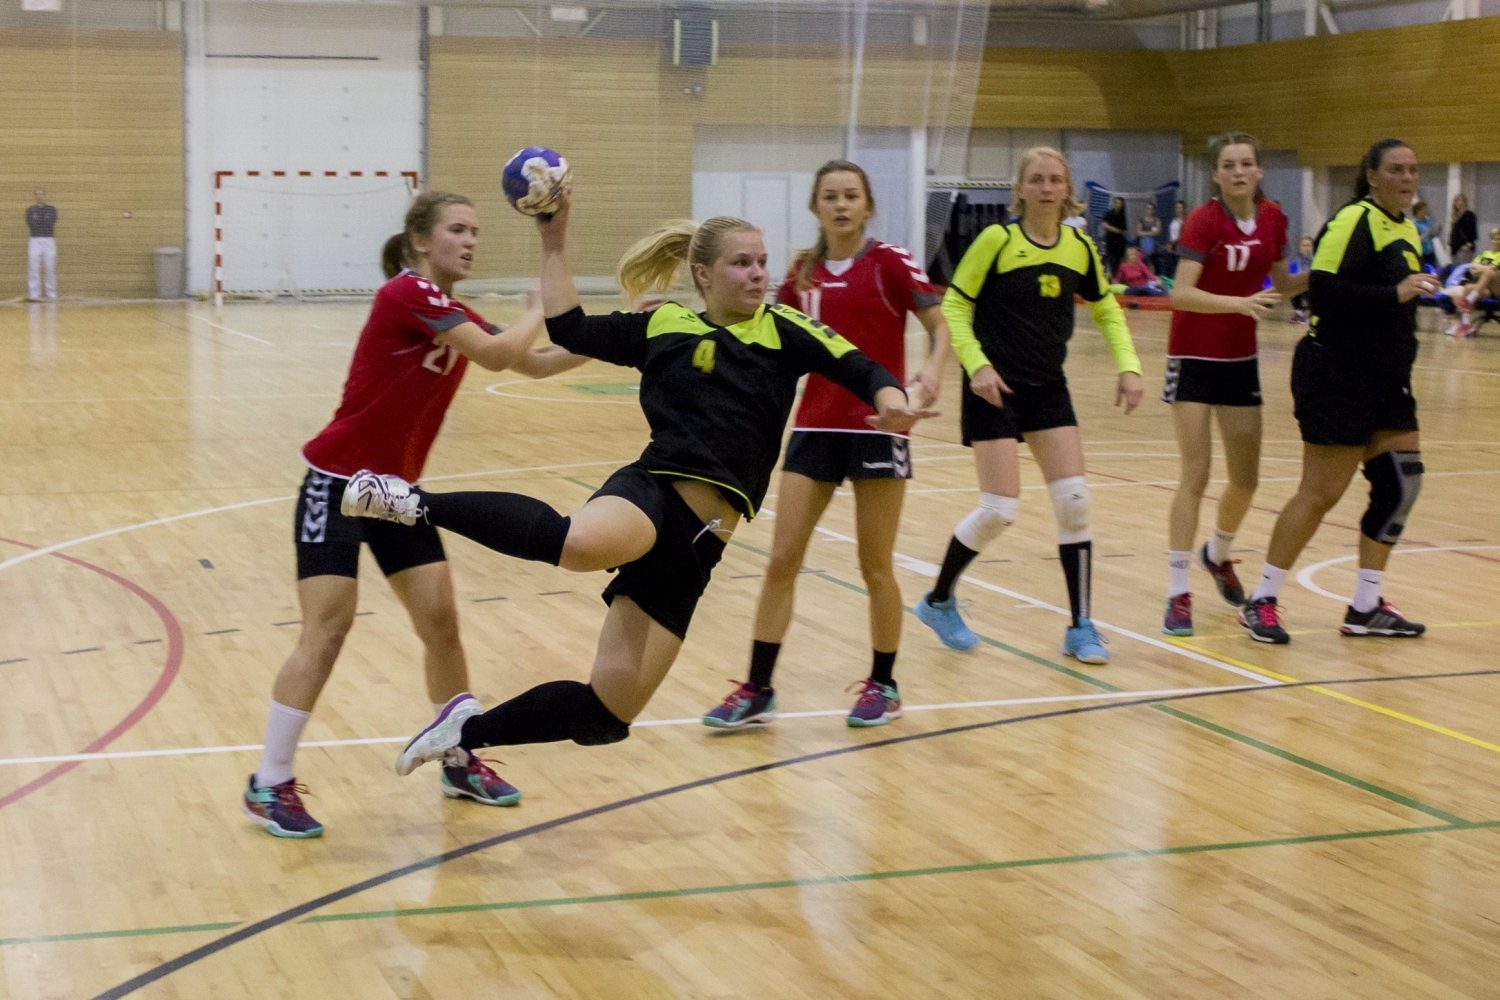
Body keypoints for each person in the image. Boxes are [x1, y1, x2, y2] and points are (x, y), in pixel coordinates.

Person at [345, 193, 935, 777]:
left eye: (761, 262)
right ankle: (410, 503)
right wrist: (554, 237)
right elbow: (570, 327)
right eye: (741, 263)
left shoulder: (786, 328)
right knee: (577, 545)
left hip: (702, 545)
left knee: (606, 715)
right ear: (703, 274)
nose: (758, 273)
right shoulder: (664, 324)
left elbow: (862, 369)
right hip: (655, 492)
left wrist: (892, 400)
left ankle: (462, 733)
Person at [242, 191, 582, 838]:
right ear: (421, 240)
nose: (471, 240)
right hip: (337, 484)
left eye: (475, 230)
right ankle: (269, 780)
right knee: (327, 629)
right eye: (458, 229)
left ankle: (457, 759)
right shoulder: (407, 293)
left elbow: (534, 364)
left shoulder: (452, 310)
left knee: (441, 623)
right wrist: (537, 309)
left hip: (396, 495)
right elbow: (498, 354)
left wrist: (624, 340)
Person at [699, 160, 950, 731]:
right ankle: (758, 688)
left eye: (851, 196)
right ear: (815, 206)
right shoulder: (802, 275)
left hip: (878, 428)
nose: (841, 205)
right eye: (831, 196)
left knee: (875, 565)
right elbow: (767, 334)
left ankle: (883, 685)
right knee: (781, 559)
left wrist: (932, 371)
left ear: (867, 206)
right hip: (814, 429)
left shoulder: (891, 262)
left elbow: (940, 325)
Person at [910, 147, 1144, 664]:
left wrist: (1129, 365)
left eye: (1055, 179)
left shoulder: (1079, 247)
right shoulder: (997, 240)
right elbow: (955, 305)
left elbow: (1106, 307)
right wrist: (977, 366)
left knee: (1074, 502)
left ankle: (1081, 625)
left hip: (1047, 388)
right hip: (992, 389)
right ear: (1019, 189)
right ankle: (939, 600)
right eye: (1035, 179)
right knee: (999, 510)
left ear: (1067, 190)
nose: (1045, 188)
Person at [1239, 139, 1439, 644]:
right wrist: (1395, 292)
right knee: (1321, 493)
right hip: (1337, 372)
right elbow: (1324, 290)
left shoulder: (1407, 228)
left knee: (1401, 485)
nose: (1407, 178)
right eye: (1396, 169)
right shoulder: (1353, 220)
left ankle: (1366, 606)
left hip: (1387, 377)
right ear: (1371, 175)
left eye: (1413, 170)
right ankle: (1262, 598)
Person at [1160, 133, 1307, 637]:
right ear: (1216, 174)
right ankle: (1178, 591)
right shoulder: (1205, 220)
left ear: (1259, 170)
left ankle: (1218, 554)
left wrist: (1330, 271)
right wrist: (1239, 304)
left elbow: (1282, 285)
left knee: (1246, 479)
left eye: (1246, 163)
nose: (1238, 172)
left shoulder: (1273, 217)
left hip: (1239, 359)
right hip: (1193, 356)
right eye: (1229, 165)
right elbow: (1181, 293)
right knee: (1195, 475)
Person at [1441, 226, 1500, 337]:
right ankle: (1466, 324)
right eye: (1495, 239)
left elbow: (1491, 269)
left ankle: (1469, 301)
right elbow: (1472, 268)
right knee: (1468, 287)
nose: (1497, 241)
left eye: (1499, 239)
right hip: (1484, 288)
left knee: (1490, 273)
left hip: (1497, 286)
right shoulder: (1485, 254)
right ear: (1491, 239)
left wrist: (1481, 269)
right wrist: (1483, 269)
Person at [25, 187, 57, 302]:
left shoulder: (51, 210)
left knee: (50, 268)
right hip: (35, 240)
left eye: (41, 194)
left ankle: (51, 294)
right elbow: (31, 224)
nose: (39, 196)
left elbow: (51, 222)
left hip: (49, 240)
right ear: (35, 196)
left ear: (45, 196)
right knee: (33, 268)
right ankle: (34, 294)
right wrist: (41, 222)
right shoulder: (30, 210)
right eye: (37, 194)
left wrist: (40, 221)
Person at [1288, 235, 1314, 325]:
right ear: (1300, 247)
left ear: (1312, 247)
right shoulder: (1296, 260)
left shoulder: (1315, 260)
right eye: (1304, 245)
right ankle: (1300, 312)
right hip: (1300, 284)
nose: (1306, 248)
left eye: (1308, 245)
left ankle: (1310, 312)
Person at [1101, 196, 1129, 277]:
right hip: (1109, 241)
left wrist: (1109, 227)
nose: (1117, 204)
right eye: (1116, 203)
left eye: (1119, 203)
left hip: (1119, 242)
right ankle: (1112, 277)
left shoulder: (1122, 216)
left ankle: (1118, 277)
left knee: (1118, 261)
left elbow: (1122, 231)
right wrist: (1110, 229)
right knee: (1110, 260)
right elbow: (1104, 225)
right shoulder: (1108, 214)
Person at [1449, 193, 1477, 265]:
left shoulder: (1469, 215)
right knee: (1455, 267)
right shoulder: (1455, 216)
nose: (1458, 203)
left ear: (1464, 202)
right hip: (1455, 247)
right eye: (1456, 201)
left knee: (1464, 267)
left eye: (1460, 200)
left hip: (1464, 246)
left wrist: (1469, 242)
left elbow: (1472, 230)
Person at [1136, 201, 1162, 269]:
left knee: (1155, 264)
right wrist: (1151, 233)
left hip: (1155, 246)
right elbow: (1139, 232)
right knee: (1144, 263)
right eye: (1147, 208)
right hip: (1143, 245)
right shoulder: (1141, 220)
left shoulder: (1156, 220)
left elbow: (1157, 232)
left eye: (1151, 209)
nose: (1149, 210)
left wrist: (1144, 233)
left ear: (1154, 210)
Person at [1412, 201, 1438, 269]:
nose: (1426, 211)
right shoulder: (1414, 225)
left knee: (1433, 271)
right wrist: (1426, 233)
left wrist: (1437, 231)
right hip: (1422, 254)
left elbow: (1432, 236)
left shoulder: (1428, 220)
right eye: (1424, 209)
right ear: (1418, 211)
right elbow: (1418, 240)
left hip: (1431, 252)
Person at [1164, 200, 1187, 278]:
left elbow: (1184, 235)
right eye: (1177, 207)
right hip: (1171, 247)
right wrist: (1168, 243)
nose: (1179, 210)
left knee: (1178, 269)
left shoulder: (1185, 221)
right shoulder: (1173, 221)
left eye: (1180, 208)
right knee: (1170, 268)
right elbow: (1169, 233)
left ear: (1184, 209)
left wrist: (1173, 244)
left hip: (1180, 248)